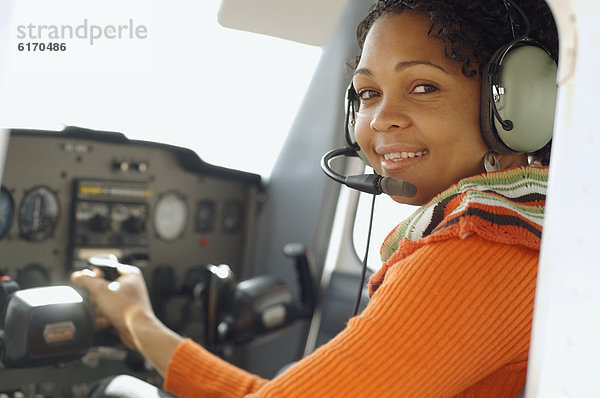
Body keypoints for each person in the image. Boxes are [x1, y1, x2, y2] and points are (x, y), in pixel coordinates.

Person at [72, 0, 558, 396]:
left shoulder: (483, 246)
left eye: (423, 86)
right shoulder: (534, 226)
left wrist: (138, 324)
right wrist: (139, 323)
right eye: (367, 93)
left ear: (517, 103)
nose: (380, 120)